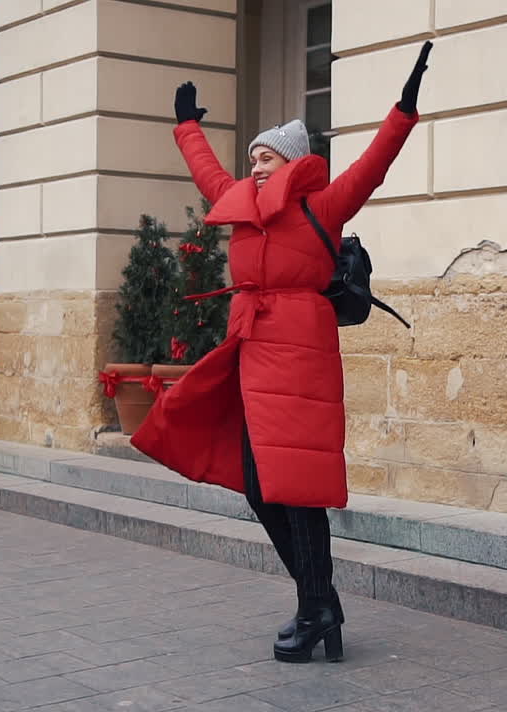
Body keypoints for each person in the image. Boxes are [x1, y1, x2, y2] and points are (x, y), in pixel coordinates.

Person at [131, 41, 433, 663]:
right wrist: (187, 126)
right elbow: (207, 174)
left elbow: (373, 166)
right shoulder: (242, 212)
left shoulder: (322, 205)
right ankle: (319, 600)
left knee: (297, 486)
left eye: (268, 158)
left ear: (294, 162)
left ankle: (315, 608)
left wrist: (403, 109)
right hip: (251, 350)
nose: (258, 167)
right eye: (254, 159)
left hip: (300, 357)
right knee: (258, 482)